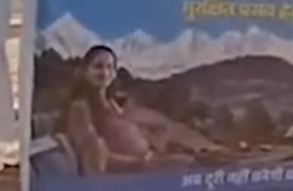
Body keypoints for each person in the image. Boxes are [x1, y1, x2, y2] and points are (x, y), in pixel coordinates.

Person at [55, 45, 191, 175]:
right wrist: (145, 164)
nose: (105, 72)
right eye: (98, 66)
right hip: (132, 173)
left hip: (148, 160)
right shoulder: (80, 108)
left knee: (192, 160)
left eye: (109, 67)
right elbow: (96, 160)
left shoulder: (112, 104)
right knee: (188, 164)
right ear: (85, 71)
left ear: (114, 73)